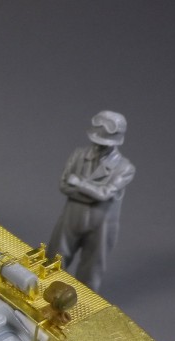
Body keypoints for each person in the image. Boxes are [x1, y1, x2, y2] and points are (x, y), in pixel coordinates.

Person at [47, 111, 135, 291]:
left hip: (101, 225)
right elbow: (64, 186)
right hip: (71, 217)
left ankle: (83, 304)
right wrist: (92, 196)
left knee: (91, 271)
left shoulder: (125, 168)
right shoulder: (78, 155)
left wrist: (79, 184)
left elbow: (104, 194)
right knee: (53, 261)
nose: (98, 146)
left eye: (103, 143)